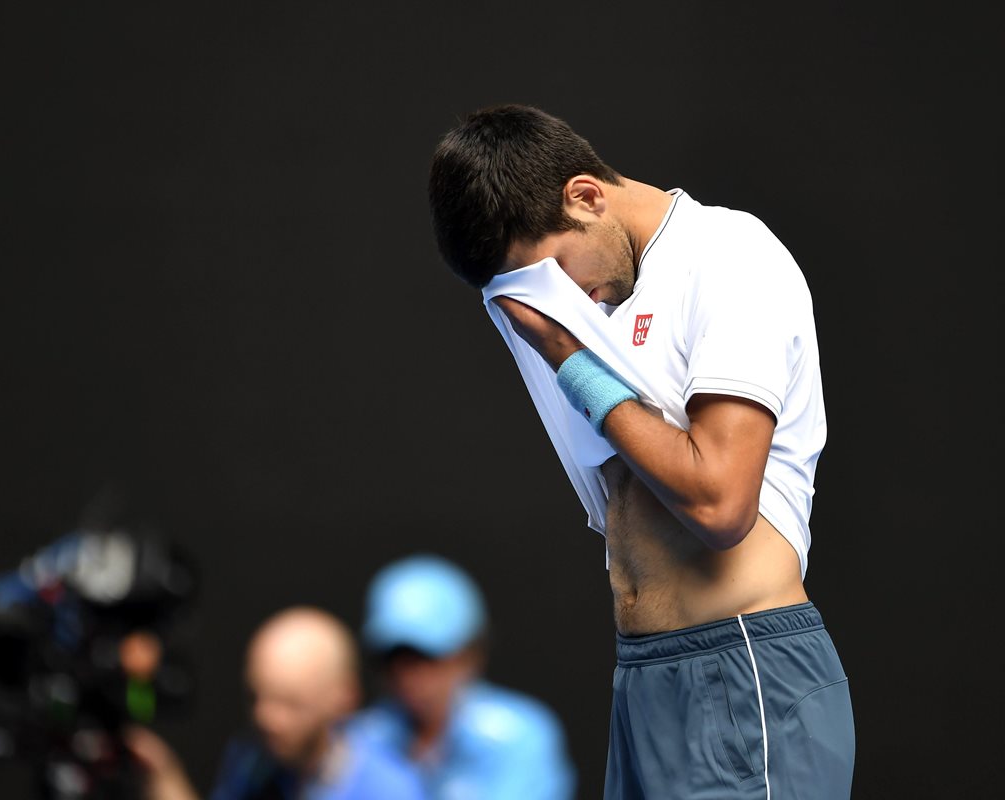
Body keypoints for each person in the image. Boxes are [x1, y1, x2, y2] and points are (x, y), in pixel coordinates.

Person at [425, 104, 855, 799]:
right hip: (643, 681)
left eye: (554, 274)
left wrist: (571, 360)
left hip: (745, 673)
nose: (559, 303)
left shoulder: (729, 255)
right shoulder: (602, 302)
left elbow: (720, 505)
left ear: (585, 196)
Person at [125, 605, 426, 800]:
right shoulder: (254, 761)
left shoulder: (389, 790)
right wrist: (164, 775)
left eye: (291, 704)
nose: (266, 718)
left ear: (344, 698)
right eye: (257, 697)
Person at [347, 553, 576, 800]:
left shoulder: (517, 738)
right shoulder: (363, 738)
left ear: (468, 655)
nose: (409, 675)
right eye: (393, 658)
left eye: (427, 656)